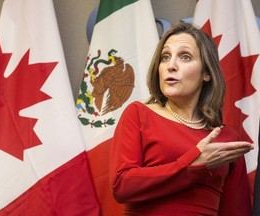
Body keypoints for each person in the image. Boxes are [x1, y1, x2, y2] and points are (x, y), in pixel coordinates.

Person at [109, 22, 254, 216]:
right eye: (165, 57)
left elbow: (236, 210)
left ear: (207, 73)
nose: (171, 66)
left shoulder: (228, 138)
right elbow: (122, 185)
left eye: (185, 57)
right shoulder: (138, 114)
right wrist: (194, 164)